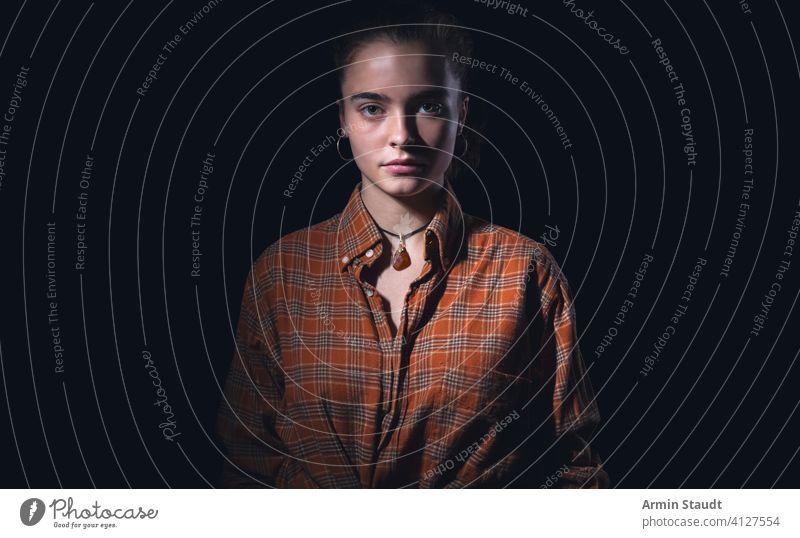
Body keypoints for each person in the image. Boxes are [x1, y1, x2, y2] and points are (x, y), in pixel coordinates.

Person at [215, 0, 609, 488]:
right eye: (372, 108)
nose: (400, 136)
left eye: (427, 105)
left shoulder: (525, 272)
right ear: (343, 117)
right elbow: (247, 464)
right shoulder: (282, 272)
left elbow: (574, 469)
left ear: (460, 113)